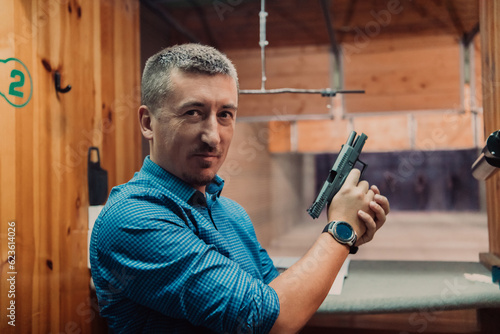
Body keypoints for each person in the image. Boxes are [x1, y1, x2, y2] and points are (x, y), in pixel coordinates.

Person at [89, 43, 390, 334]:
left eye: (225, 115)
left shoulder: (232, 215)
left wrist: (347, 232)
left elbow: (279, 296)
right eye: (193, 112)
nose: (213, 137)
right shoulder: (131, 218)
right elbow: (270, 320)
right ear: (147, 122)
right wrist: (339, 233)